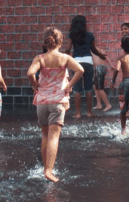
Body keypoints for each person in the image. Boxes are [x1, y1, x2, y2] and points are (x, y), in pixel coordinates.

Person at [27, 27, 84, 182]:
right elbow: (80, 70)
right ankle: (49, 171)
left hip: (42, 103)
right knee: (54, 137)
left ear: (45, 43)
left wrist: (35, 86)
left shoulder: (40, 58)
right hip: (57, 102)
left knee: (45, 135)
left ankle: (45, 167)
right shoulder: (64, 58)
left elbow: (30, 73)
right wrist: (69, 85)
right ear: (60, 42)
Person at [64, 15, 107, 118]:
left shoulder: (72, 35)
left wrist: (68, 60)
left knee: (77, 88)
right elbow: (94, 50)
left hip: (76, 62)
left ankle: (78, 113)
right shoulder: (90, 35)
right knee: (88, 88)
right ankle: (89, 112)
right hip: (88, 62)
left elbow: (67, 48)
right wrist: (101, 55)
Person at [92, 45, 113, 111]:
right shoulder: (99, 49)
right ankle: (99, 104)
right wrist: (111, 65)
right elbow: (106, 56)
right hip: (101, 68)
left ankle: (108, 104)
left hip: (99, 68)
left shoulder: (91, 49)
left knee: (99, 88)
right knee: (95, 86)